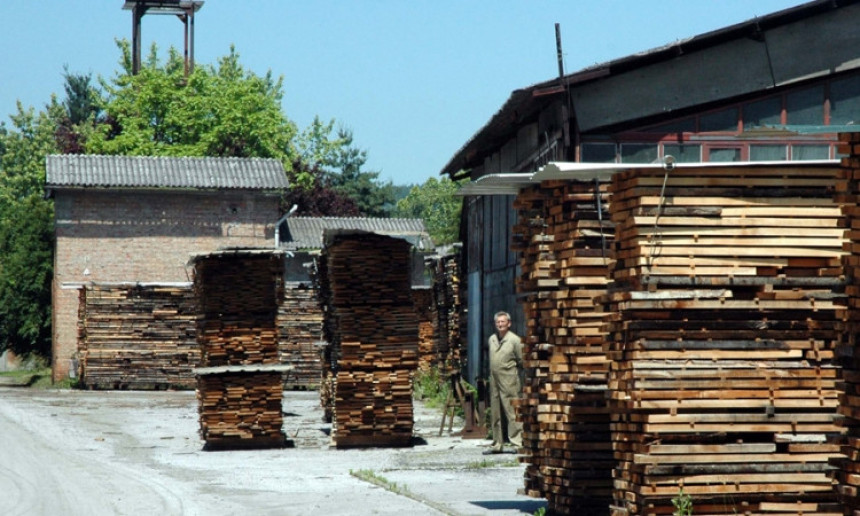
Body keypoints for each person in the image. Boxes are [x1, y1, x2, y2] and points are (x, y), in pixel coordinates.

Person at [483, 311, 524, 454]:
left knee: (512, 411)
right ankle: (497, 444)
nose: (500, 324)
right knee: (495, 412)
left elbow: (521, 361)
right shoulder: (492, 339)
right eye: (498, 322)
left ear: (509, 323)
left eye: (503, 322)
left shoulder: (515, 340)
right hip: (494, 380)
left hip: (509, 380)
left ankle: (517, 443)